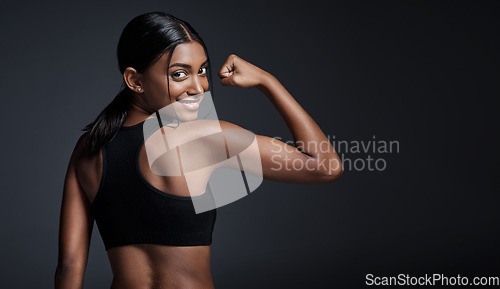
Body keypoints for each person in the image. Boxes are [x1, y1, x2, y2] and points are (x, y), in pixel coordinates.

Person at [54, 11, 343, 289]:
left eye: (202, 71)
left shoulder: (88, 148)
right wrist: (268, 82)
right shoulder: (205, 137)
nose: (199, 88)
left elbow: (69, 266)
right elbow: (325, 167)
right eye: (180, 74)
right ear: (135, 80)